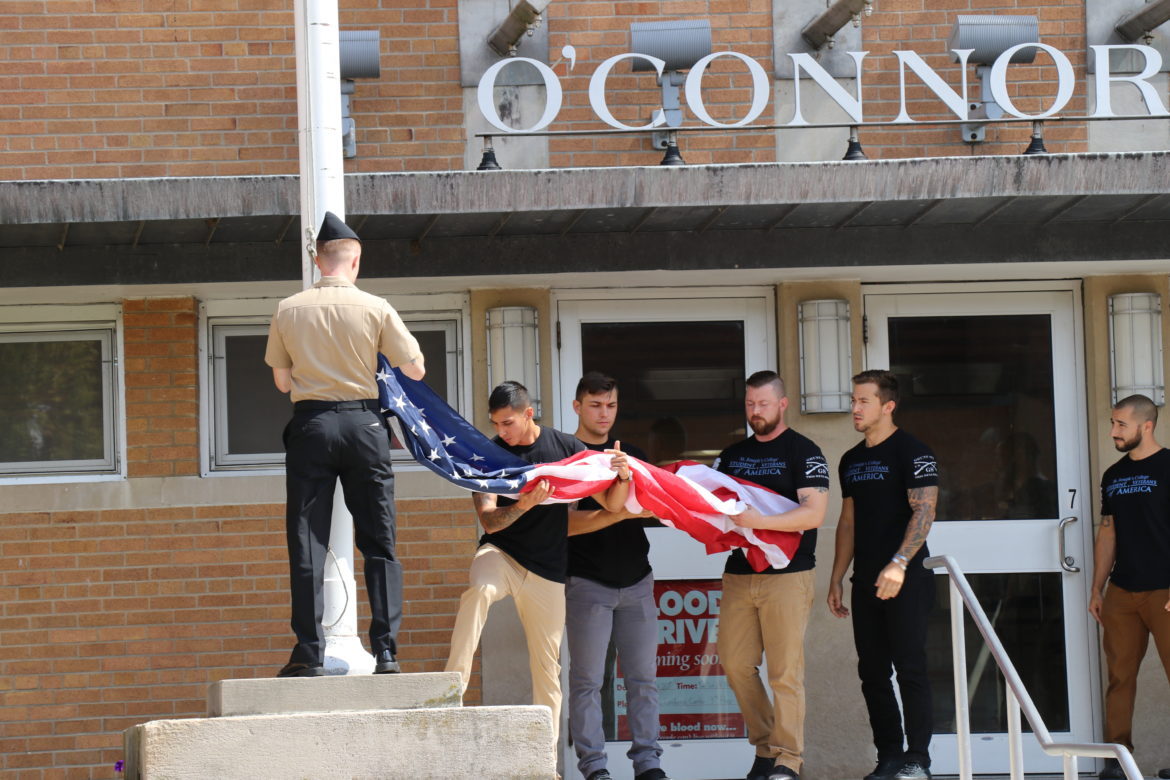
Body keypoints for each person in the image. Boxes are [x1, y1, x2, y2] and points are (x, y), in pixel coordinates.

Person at [264, 211, 425, 678]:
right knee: (379, 539)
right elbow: (415, 369)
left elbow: (280, 381)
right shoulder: (375, 307)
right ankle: (387, 651)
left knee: (307, 541)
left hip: (311, 424)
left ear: (319, 261)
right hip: (365, 425)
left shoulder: (288, 308)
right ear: (355, 262)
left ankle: (309, 651)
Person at [445, 380, 632, 746]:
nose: (502, 432)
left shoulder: (565, 448)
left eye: (508, 423)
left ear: (528, 414)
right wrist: (525, 504)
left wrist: (622, 475)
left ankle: (545, 759)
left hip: (547, 570)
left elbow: (612, 503)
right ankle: (452, 689)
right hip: (500, 555)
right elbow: (489, 519)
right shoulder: (490, 456)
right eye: (496, 424)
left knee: (548, 669)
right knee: (479, 591)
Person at [713, 370, 830, 780]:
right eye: (749, 404)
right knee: (734, 662)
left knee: (784, 672)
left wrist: (759, 520)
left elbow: (814, 513)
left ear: (782, 404)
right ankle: (765, 745)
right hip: (740, 574)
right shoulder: (731, 455)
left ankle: (788, 759)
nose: (755, 412)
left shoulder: (804, 451)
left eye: (762, 403)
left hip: (789, 576)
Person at [828, 370, 938, 780]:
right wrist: (838, 576)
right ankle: (889, 755)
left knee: (911, 666)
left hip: (906, 579)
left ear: (888, 406)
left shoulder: (913, 452)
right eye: (853, 400)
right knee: (872, 671)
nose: (854, 408)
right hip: (864, 582)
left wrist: (900, 563)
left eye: (863, 401)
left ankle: (918, 758)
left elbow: (925, 511)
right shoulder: (851, 459)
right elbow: (848, 523)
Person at [565, 372, 669, 780]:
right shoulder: (567, 456)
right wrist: (616, 506)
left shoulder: (633, 454)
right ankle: (594, 768)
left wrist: (623, 498)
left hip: (638, 580)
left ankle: (649, 764)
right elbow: (566, 526)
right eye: (594, 405)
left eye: (610, 405)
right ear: (577, 406)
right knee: (588, 681)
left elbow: (656, 509)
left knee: (644, 680)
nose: (603, 413)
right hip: (587, 583)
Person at [1089, 394, 1170, 780]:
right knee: (1120, 678)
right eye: (1112, 423)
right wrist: (1096, 588)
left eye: (1121, 424)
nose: (1113, 432)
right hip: (1123, 591)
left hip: (1166, 591)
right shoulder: (1114, 475)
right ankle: (1118, 763)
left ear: (1146, 425)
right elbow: (1108, 533)